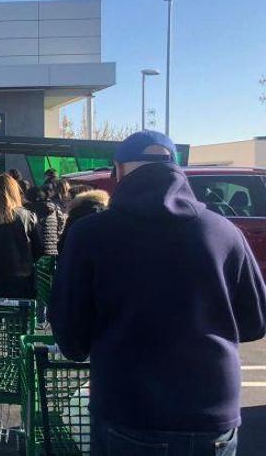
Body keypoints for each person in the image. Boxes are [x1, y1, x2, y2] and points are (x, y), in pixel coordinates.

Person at [49, 131, 266, 456]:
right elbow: (255, 322)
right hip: (214, 414)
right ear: (176, 169)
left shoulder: (90, 235)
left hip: (130, 409)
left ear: (119, 170)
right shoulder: (224, 231)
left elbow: (71, 337)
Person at [56, 187, 109, 253]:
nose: (65, 203)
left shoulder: (77, 214)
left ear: (77, 199)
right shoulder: (106, 212)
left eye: (68, 200)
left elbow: (64, 244)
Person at [24, 186, 64, 257]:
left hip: (36, 249)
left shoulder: (28, 211)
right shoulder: (54, 208)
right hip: (54, 247)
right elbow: (61, 223)